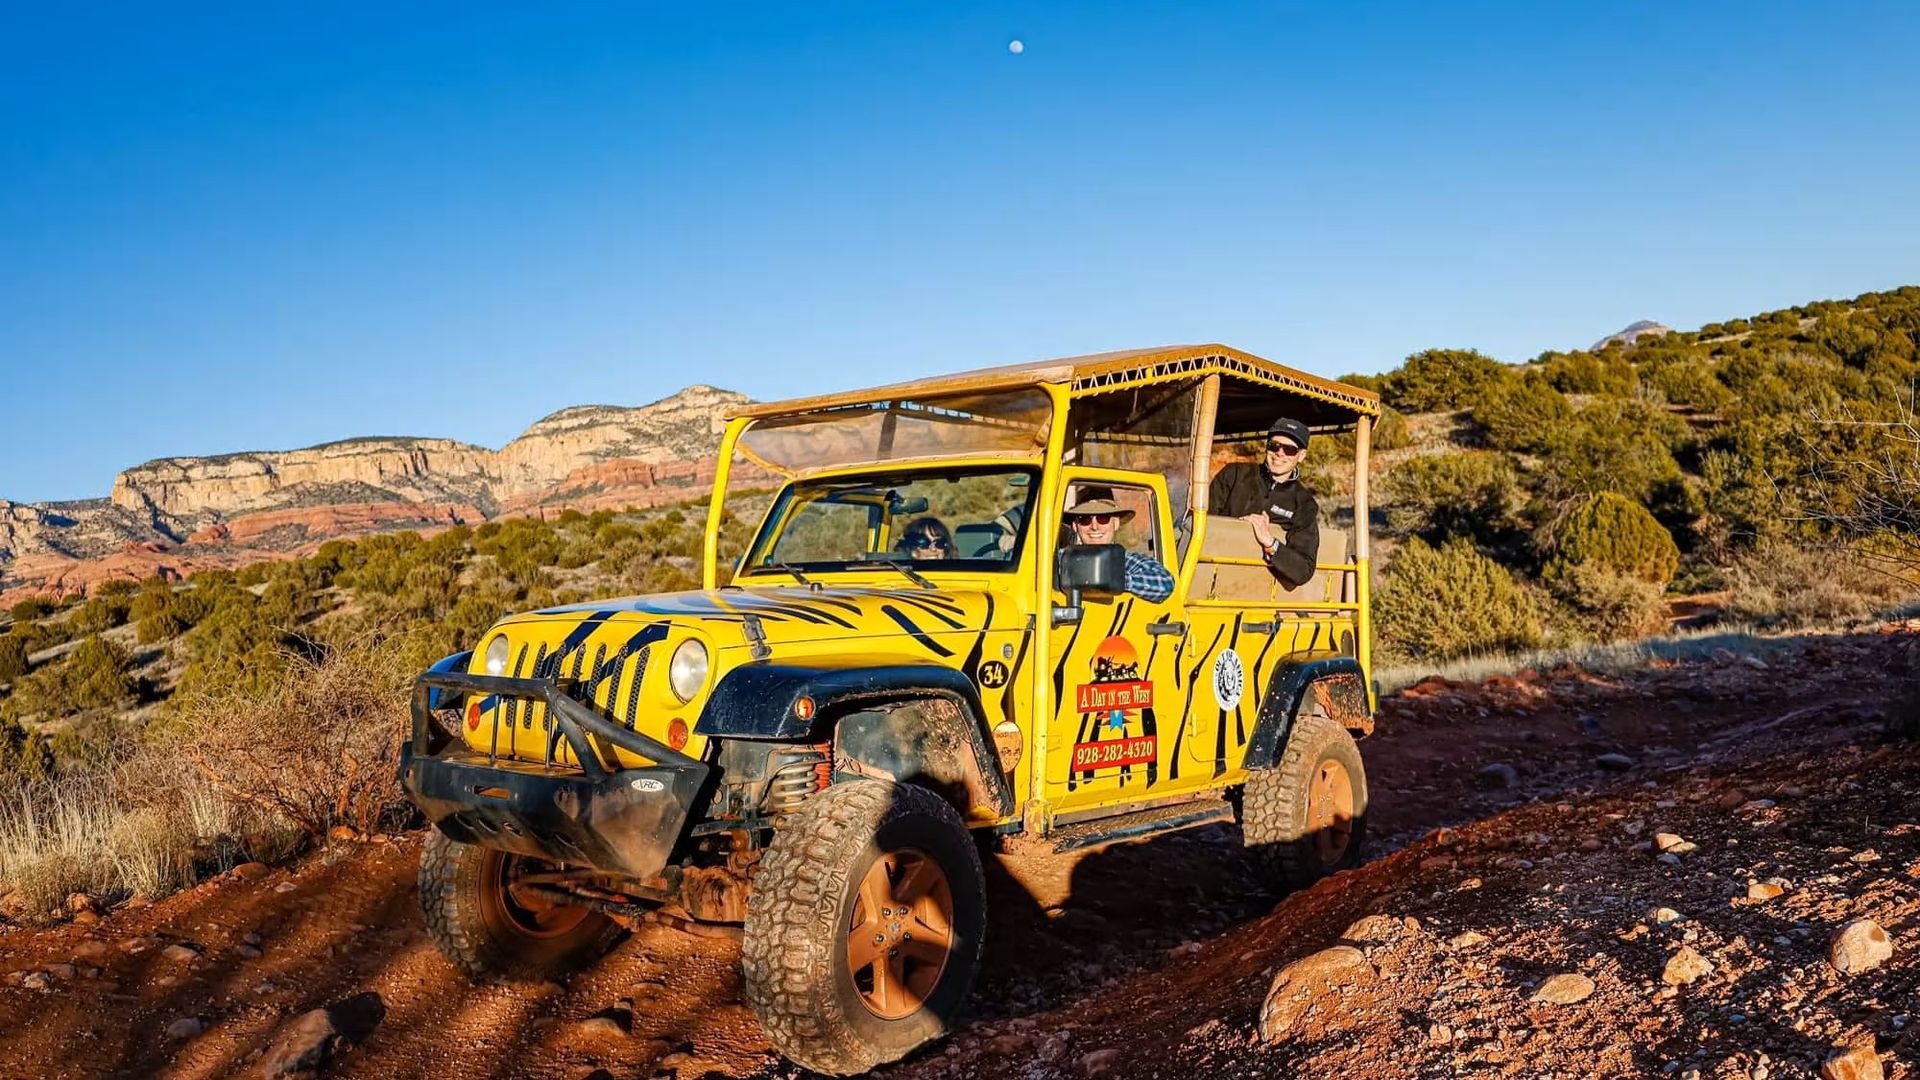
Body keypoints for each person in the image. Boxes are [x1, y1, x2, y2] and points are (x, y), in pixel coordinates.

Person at [1206, 417, 1320, 589]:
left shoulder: (1304, 504)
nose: (1280, 453)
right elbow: (1204, 523)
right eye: (1274, 446)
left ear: (1301, 455)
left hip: (1258, 589)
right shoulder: (1233, 474)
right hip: (1211, 577)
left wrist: (1269, 541)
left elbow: (1303, 570)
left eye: (1290, 449)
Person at [1063, 486, 1175, 602]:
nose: (1094, 527)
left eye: (1103, 518)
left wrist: (1115, 579)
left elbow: (1165, 583)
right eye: (1084, 519)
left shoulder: (1127, 562)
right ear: (1075, 526)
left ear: (1116, 523)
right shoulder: (1060, 561)